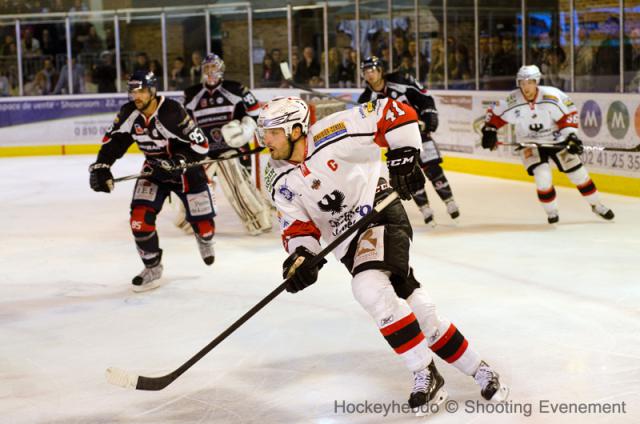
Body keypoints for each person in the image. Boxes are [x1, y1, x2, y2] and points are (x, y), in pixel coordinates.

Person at [258, 96, 509, 412]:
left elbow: (394, 111)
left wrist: (405, 153)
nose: (265, 140)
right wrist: (301, 258)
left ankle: (424, 371)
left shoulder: (333, 131)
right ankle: (480, 369)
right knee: (419, 310)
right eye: (263, 132)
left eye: (273, 132)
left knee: (368, 287)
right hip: (349, 246)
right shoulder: (275, 176)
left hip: (380, 213)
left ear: (296, 130)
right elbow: (297, 228)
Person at [88, 71, 215, 292]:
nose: (136, 96)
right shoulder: (129, 113)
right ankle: (152, 267)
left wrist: (179, 160)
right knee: (139, 220)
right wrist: (102, 166)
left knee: (205, 226)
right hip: (154, 171)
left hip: (185, 171)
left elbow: (201, 146)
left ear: (153, 91)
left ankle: (204, 238)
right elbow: (115, 142)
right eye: (133, 91)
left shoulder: (172, 112)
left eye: (142, 91)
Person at [481, 65, 615, 223]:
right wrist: (489, 130)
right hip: (530, 144)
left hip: (556, 140)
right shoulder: (513, 100)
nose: (525, 87)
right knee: (543, 177)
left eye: (529, 82)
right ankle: (552, 212)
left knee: (578, 174)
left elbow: (569, 115)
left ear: (536, 81)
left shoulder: (552, 96)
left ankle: (597, 205)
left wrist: (571, 136)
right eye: (522, 83)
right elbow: (494, 114)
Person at [358, 56, 460, 225]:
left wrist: (429, 115)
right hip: (396, 144)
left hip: (419, 133)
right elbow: (370, 128)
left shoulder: (401, 81)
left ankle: (449, 201)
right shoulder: (365, 100)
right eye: (366, 71)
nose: (370, 74)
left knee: (433, 168)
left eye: (373, 70)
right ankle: (425, 208)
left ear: (381, 70)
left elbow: (424, 98)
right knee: (407, 174)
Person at [183, 53, 271, 235]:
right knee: (194, 188)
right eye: (206, 68)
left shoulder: (236, 89)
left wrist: (246, 130)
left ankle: (258, 221)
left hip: (232, 150)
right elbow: (185, 125)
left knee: (239, 187)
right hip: (204, 151)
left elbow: (256, 115)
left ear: (221, 69)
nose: (210, 72)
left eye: (213, 67)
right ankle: (190, 222)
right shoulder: (191, 94)